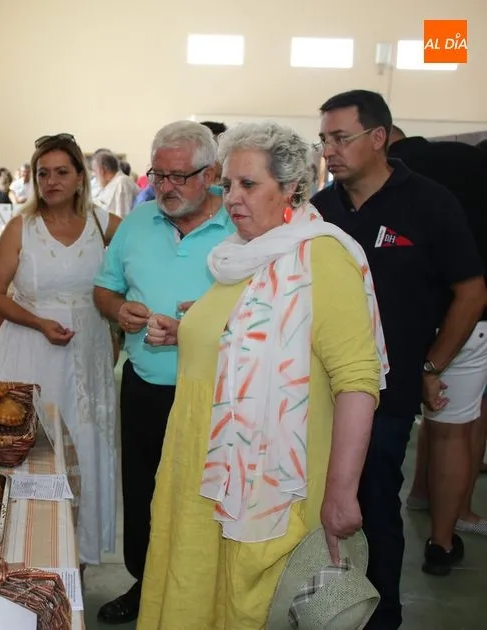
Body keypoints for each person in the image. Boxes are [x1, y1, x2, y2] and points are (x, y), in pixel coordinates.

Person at [138, 121, 387, 629]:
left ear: (291, 185)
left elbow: (358, 380)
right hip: (201, 473)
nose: (231, 198)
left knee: (247, 607)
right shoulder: (239, 257)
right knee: (195, 593)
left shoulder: (319, 256)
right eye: (226, 184)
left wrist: (342, 494)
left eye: (248, 185)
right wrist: (186, 331)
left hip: (268, 484)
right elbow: (244, 343)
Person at [312, 90, 486, 626]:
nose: (330, 150)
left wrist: (430, 366)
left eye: (341, 137)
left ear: (379, 137)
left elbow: (472, 292)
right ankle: (324, 604)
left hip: (387, 392)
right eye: (325, 140)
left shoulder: (429, 203)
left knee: (374, 501)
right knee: (320, 502)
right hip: (321, 390)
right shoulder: (320, 210)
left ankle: (382, 612)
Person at [92, 121, 234, 624]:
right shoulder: (138, 221)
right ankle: (145, 581)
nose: (167, 187)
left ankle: (205, 594)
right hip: (146, 384)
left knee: (207, 494)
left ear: (211, 173)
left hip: (219, 394)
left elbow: (266, 312)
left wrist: (195, 329)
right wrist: (119, 310)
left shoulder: (242, 226)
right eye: (159, 175)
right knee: (144, 488)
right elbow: (104, 288)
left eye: (181, 176)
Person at [0, 133, 121, 570]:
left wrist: (120, 321)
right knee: (33, 447)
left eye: (62, 171)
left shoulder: (107, 226)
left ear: (81, 177)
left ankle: (77, 559)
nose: (51, 180)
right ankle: (25, 553)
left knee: (85, 446)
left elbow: (131, 277)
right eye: (43, 173)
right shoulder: (21, 227)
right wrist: (39, 322)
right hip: (31, 350)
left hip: (87, 355)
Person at [388, 125, 487, 542]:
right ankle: (446, 534)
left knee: (429, 419)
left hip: (402, 315)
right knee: (457, 424)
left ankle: (420, 492)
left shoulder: (397, 177)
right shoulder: (468, 169)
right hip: (466, 315)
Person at [92, 150, 138, 218]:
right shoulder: (109, 184)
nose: (94, 174)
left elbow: (122, 217)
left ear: (102, 170)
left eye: (95, 171)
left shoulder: (122, 182)